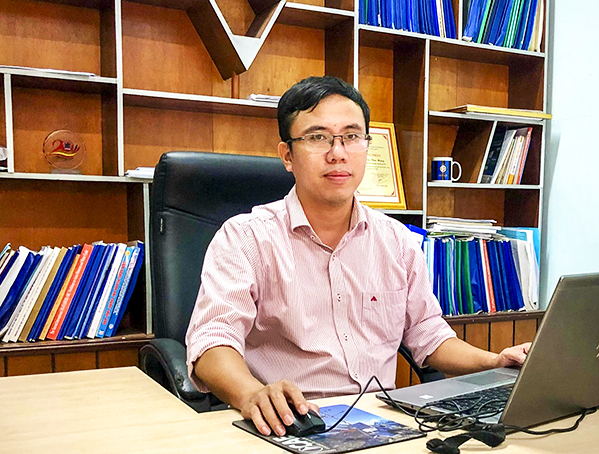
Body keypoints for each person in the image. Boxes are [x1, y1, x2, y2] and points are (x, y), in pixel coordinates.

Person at [185, 76, 530, 437]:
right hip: (292, 424)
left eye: (351, 136)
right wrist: (252, 394)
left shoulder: (397, 241)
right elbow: (212, 340)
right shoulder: (245, 238)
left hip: (385, 425)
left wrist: (495, 361)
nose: (338, 152)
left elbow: (427, 334)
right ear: (287, 156)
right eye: (317, 137)